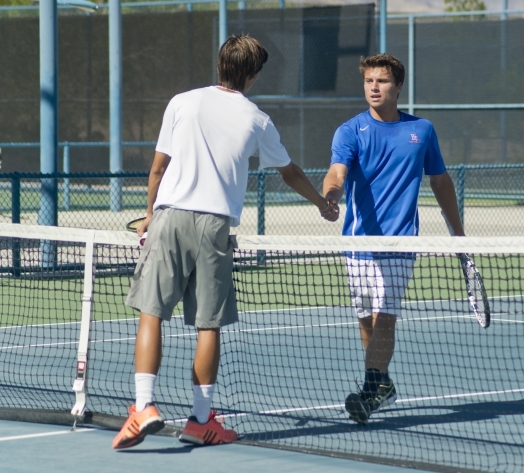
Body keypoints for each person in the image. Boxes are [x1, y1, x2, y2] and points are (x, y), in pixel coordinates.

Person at [112, 34, 339, 450]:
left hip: (169, 218)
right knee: (208, 325)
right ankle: (200, 420)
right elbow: (289, 173)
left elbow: (158, 170)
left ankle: (144, 406)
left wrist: (149, 217)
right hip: (215, 228)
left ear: (219, 64)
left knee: (151, 313)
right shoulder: (257, 119)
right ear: (252, 76)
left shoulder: (182, 102)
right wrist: (322, 204)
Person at [322, 53, 464, 425]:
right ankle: (381, 382)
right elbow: (336, 172)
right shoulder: (350, 130)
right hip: (357, 243)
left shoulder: (422, 131)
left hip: (401, 243)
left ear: (398, 86)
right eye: (369, 80)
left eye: (382, 81)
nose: (374, 87)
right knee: (366, 319)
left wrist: (458, 233)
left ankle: (370, 390)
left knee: (386, 317)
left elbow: (440, 181)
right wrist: (331, 196)